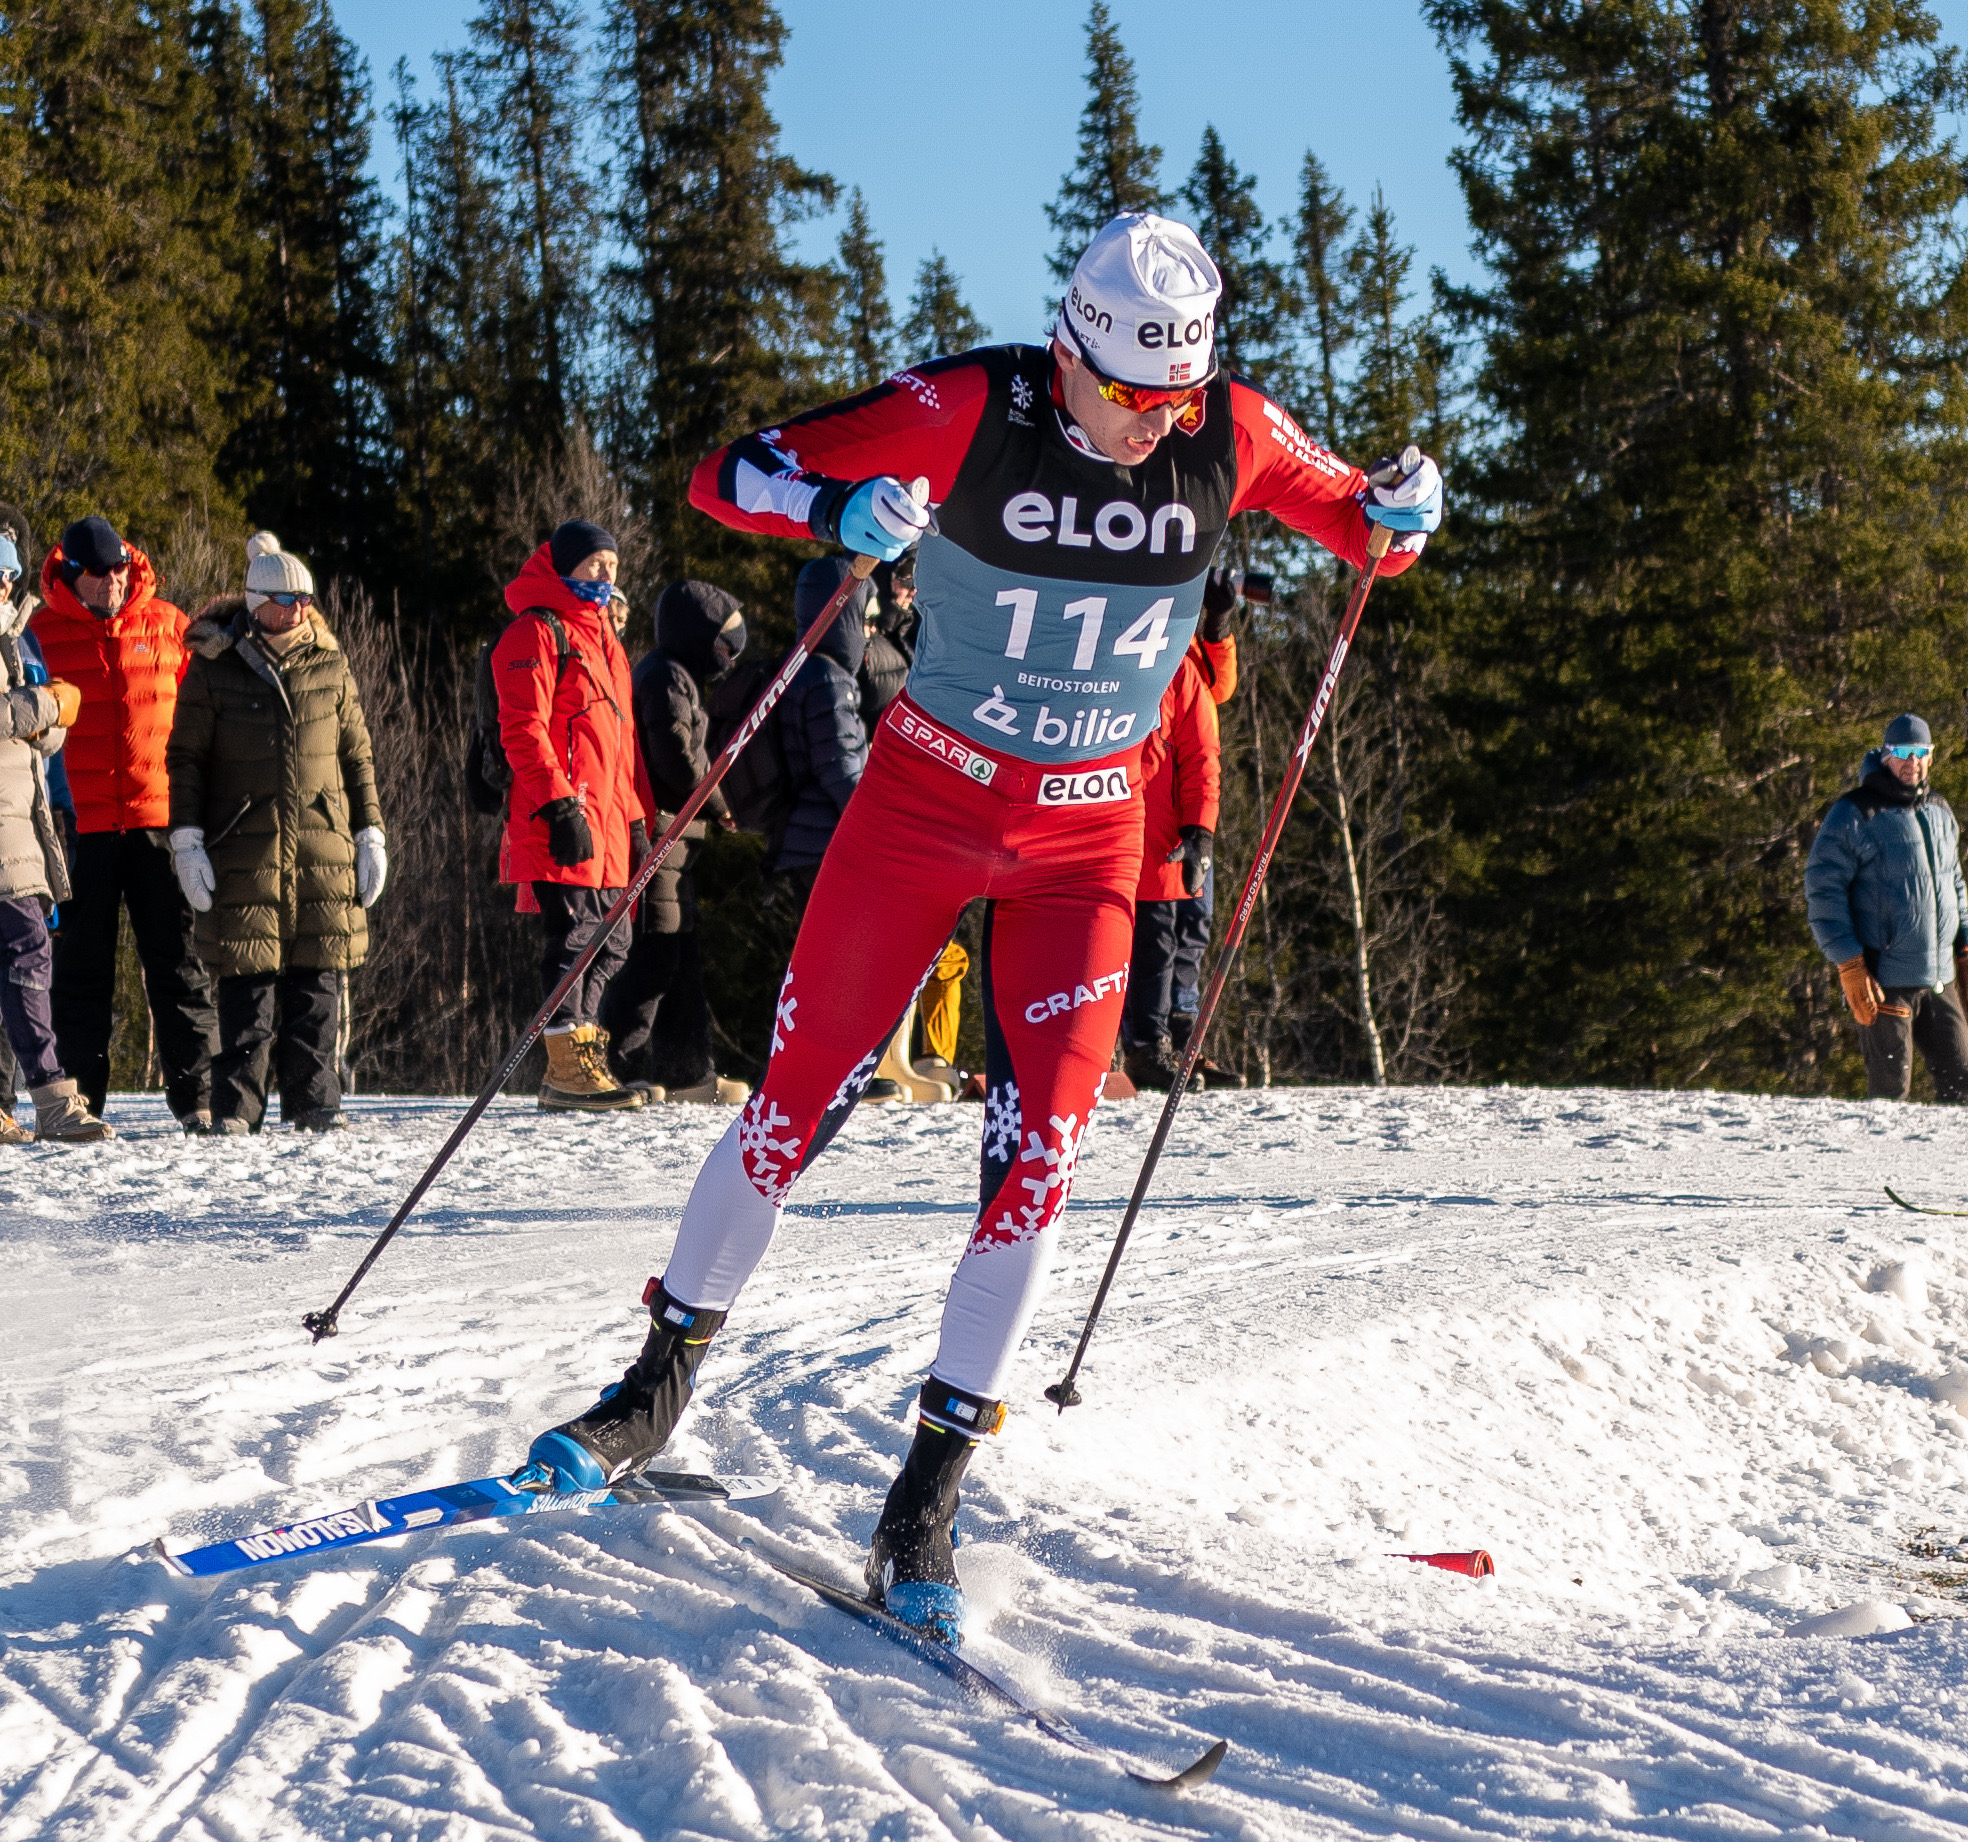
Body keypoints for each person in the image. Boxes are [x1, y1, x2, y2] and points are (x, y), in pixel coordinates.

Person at [524, 212, 1442, 1644]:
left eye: (1176, 399)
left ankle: (925, 1506)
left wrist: (1404, 509)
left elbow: (1362, 532)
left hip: (1087, 840)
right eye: (1129, 396)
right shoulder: (969, 409)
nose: (1153, 428)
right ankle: (651, 1392)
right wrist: (839, 519)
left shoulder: (1231, 432)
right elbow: (729, 475)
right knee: (790, 1105)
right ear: (1070, 352)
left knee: (1036, 1165)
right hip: (920, 806)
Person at [166, 534, 386, 1133]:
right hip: (245, 847)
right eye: (287, 598)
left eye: (306, 598)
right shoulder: (214, 669)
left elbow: (357, 757)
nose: (300, 609)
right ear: (257, 602)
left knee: (317, 985)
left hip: (322, 847)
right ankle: (237, 1109)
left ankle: (316, 1104)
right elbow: (185, 759)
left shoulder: (330, 664)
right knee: (248, 987)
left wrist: (371, 832)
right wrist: (185, 838)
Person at [30, 516, 218, 1130]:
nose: (111, 581)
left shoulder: (165, 623)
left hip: (156, 822)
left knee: (177, 964)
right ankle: (82, 1102)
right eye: (97, 572)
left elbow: (202, 718)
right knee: (80, 972)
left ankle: (199, 1099)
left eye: (117, 569)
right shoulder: (38, 633)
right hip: (78, 827)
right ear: (70, 573)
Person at [495, 520, 646, 1112]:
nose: (605, 575)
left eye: (612, 565)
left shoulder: (606, 638)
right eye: (593, 565)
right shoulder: (536, 631)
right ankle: (566, 1067)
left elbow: (620, 740)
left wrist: (634, 816)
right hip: (560, 813)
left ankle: (583, 1047)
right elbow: (523, 729)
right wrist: (559, 804)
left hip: (608, 820)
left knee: (614, 940)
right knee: (575, 938)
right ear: (564, 568)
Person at [600, 579, 751, 1106]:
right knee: (656, 954)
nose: (728, 657)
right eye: (724, 644)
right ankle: (614, 1062)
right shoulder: (664, 674)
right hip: (660, 830)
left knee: (682, 956)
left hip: (680, 837)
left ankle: (689, 1072)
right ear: (697, 635)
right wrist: (718, 801)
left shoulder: (680, 675)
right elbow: (674, 752)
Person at [0, 527, 107, 1142]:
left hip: (26, 822)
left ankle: (34, 1098)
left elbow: (42, 732)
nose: (8, 585)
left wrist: (52, 720)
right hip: (7, 831)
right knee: (27, 953)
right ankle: (52, 1098)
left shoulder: (19, 637)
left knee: (24, 955)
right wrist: (48, 704)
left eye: (11, 574)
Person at [1806, 713, 1968, 1101]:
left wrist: (1964, 948)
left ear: (1930, 756)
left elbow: (1955, 882)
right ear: (1885, 756)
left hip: (1939, 980)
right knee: (1890, 1095)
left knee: (1963, 1087)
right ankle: (1880, 1162)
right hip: (1884, 982)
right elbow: (1822, 888)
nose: (1911, 762)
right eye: (1901, 752)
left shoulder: (1939, 811)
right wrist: (1848, 961)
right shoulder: (1856, 812)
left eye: (1920, 752)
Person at [1121, 647, 1220, 1090]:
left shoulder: (1180, 669)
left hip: (1156, 838)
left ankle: (1149, 1047)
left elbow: (1202, 755)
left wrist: (1200, 829)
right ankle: (1088, 1047)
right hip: (1090, 826)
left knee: (1158, 944)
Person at [774, 556, 872, 900]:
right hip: (828, 842)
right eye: (866, 617)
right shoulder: (830, 679)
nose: (871, 629)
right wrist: (875, 827)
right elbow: (840, 767)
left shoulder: (799, 669)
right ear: (847, 614)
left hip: (806, 838)